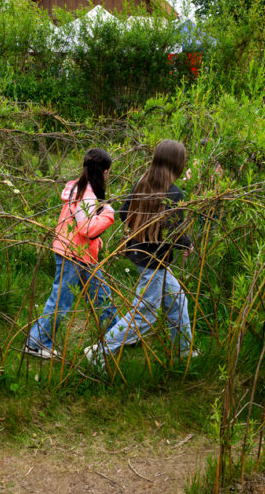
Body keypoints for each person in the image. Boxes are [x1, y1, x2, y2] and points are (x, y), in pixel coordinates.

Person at [84, 139, 198, 370]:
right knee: (144, 316)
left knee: (177, 301)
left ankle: (184, 352)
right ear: (177, 164)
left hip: (139, 254)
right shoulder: (174, 193)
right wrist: (187, 244)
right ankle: (99, 351)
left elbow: (125, 213)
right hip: (154, 263)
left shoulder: (142, 183)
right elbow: (175, 232)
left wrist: (143, 227)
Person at [24, 148, 117, 359]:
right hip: (72, 254)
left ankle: (119, 334)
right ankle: (36, 343)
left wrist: (96, 239)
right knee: (61, 301)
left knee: (101, 295)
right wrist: (108, 215)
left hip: (79, 253)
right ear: (101, 172)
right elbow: (85, 229)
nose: (108, 175)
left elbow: (78, 224)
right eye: (107, 171)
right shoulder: (88, 195)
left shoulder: (77, 188)